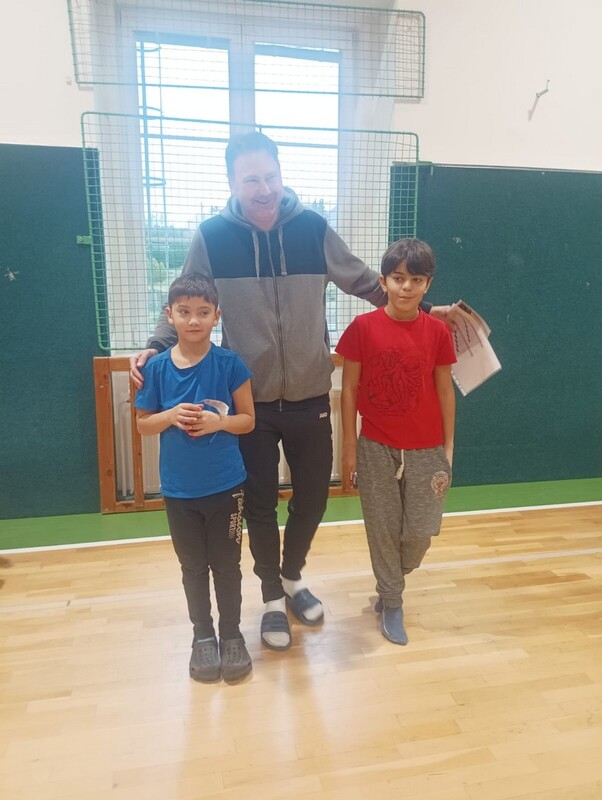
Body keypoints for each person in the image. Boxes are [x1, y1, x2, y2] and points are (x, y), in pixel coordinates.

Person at [131, 131, 447, 652]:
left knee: (313, 500)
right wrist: (153, 347)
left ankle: (292, 575)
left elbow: (367, 282)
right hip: (249, 404)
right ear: (232, 182)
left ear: (281, 174)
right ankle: (272, 599)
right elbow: (187, 299)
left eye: (271, 177)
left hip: (309, 396)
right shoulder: (211, 236)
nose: (264, 189)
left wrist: (429, 311)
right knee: (258, 506)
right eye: (251, 179)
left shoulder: (312, 228)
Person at [134, 273, 255, 682]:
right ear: (169, 314)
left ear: (216, 316)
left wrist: (219, 423)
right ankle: (202, 636)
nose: (193, 320)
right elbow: (143, 425)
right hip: (179, 491)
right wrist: (170, 415)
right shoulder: (157, 369)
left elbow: (248, 421)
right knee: (192, 567)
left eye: (203, 312)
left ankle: (232, 635)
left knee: (227, 565)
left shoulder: (230, 364)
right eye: (184, 312)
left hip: (226, 487)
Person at [336, 238, 456, 646]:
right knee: (383, 529)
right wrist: (348, 449)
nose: (406, 287)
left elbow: (445, 392)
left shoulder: (437, 332)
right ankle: (391, 600)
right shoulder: (362, 328)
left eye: (416, 280)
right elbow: (348, 390)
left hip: (427, 449)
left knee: (420, 533)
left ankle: (391, 581)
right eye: (398, 278)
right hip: (375, 447)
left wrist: (449, 447)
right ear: (383, 281)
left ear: (428, 284)